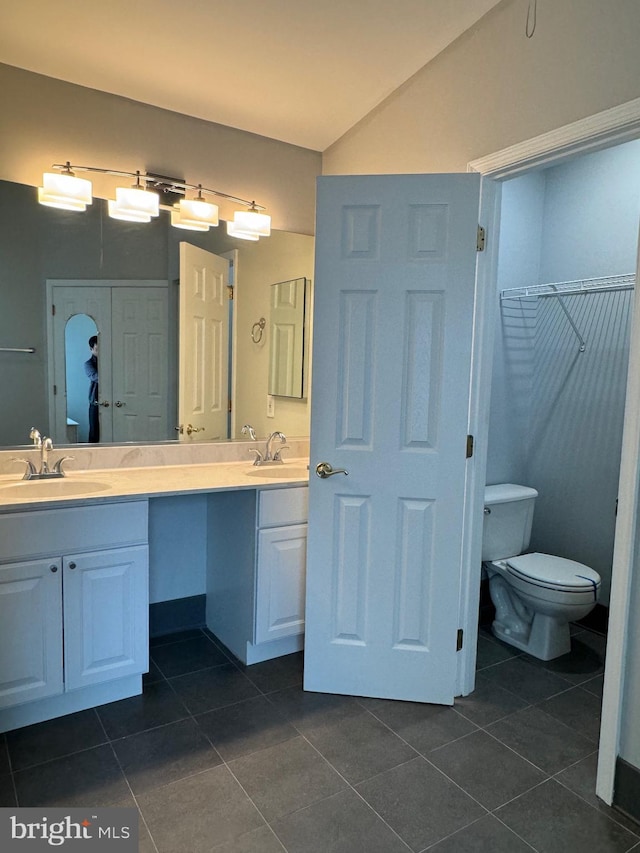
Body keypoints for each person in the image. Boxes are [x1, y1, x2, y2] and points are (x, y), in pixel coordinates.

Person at [84, 335, 100, 442]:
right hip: (95, 401)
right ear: (91, 349)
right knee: (94, 431)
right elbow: (96, 377)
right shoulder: (89, 364)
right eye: (97, 349)